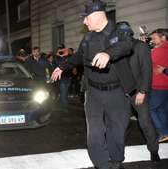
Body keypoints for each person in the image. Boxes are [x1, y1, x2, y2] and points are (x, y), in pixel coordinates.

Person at [51, 1, 136, 168]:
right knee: (94, 133)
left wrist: (108, 53)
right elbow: (78, 57)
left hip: (117, 93)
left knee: (116, 131)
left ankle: (116, 159)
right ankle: (102, 164)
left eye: (86, 18)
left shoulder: (119, 30)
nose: (84, 22)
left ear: (97, 16)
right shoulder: (88, 37)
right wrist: (62, 66)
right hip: (94, 93)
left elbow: (127, 45)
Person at [116, 21, 160, 161]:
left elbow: (147, 71)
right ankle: (117, 153)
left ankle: (153, 150)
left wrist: (143, 91)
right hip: (120, 92)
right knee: (119, 123)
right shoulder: (115, 47)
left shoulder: (140, 47)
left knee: (145, 122)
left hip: (138, 91)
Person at [149, 28, 168, 143]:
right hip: (165, 86)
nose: (152, 40)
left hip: (158, 86)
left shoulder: (159, 51)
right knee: (161, 110)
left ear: (163, 38)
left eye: (154, 38)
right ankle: (165, 133)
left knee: (149, 108)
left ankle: (163, 132)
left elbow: (144, 61)